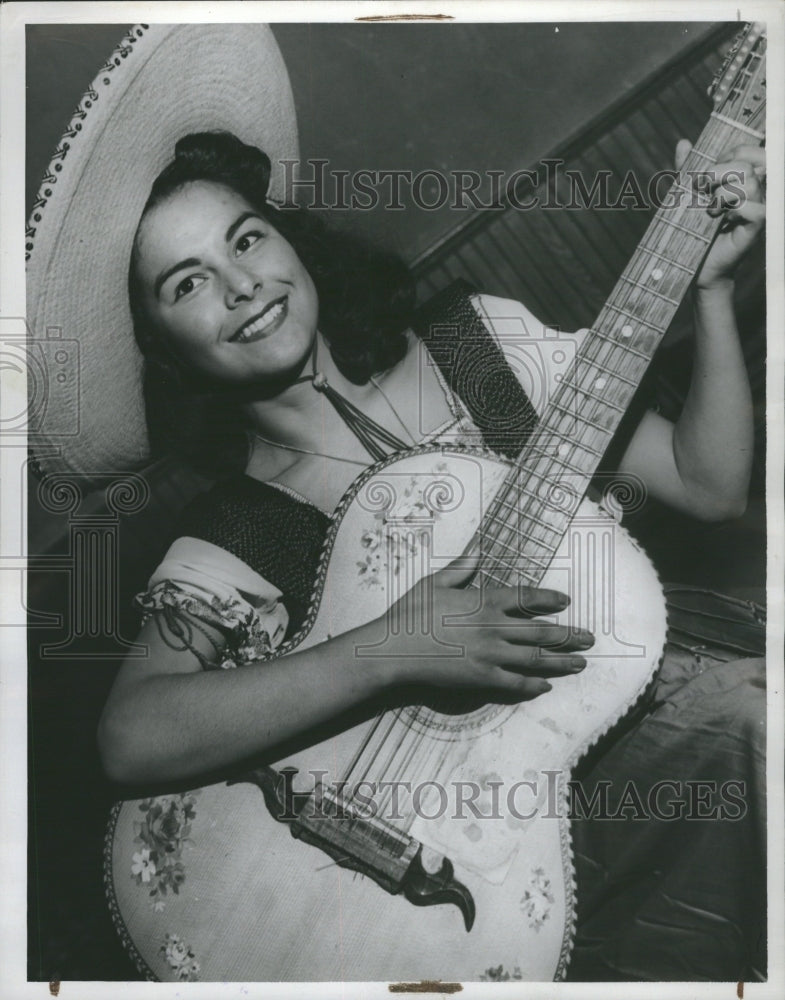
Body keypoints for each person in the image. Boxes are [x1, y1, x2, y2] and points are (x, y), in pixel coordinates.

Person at [26, 24, 766, 984]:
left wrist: (707, 293)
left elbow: (708, 487)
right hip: (431, 867)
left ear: (290, 237)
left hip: (611, 753)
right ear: (164, 351)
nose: (242, 284)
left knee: (757, 717)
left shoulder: (477, 346)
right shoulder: (239, 526)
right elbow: (128, 740)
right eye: (188, 284)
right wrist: (389, 647)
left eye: (245, 237)